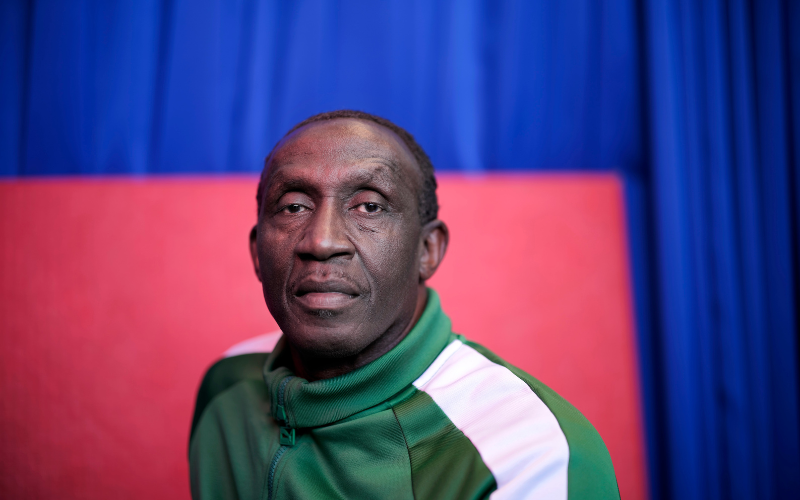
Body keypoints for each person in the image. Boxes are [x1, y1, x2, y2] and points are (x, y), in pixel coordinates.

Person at [189, 110, 620, 499]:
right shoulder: (228, 385)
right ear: (256, 253)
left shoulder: (526, 455)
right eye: (294, 206)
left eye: (370, 207)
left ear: (427, 251)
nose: (321, 241)